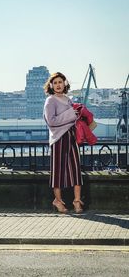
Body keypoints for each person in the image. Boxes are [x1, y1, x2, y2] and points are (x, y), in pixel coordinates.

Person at [43, 72, 84, 213]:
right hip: (58, 139)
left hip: (71, 137)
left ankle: (77, 200)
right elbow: (51, 121)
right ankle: (58, 201)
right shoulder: (50, 101)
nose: (58, 85)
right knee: (58, 172)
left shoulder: (68, 100)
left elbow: (74, 119)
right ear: (51, 85)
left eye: (60, 82)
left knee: (76, 170)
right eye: (55, 83)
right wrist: (72, 114)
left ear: (64, 83)